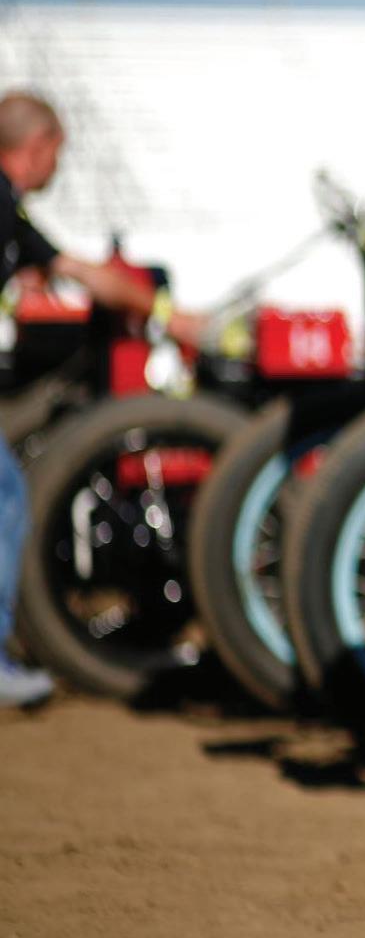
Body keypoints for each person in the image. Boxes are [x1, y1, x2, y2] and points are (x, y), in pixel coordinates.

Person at [0, 92, 204, 707]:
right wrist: (173, 317)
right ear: (37, 147)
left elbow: (74, 270)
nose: (56, 168)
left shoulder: (10, 212)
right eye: (56, 154)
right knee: (6, 496)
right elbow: (88, 277)